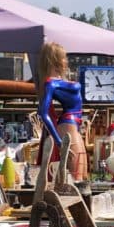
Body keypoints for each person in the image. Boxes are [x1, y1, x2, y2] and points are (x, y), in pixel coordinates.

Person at [37, 42, 88, 181]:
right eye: (63, 57)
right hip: (68, 126)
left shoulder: (55, 82)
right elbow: (42, 112)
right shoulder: (51, 83)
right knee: (76, 177)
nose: (66, 61)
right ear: (55, 59)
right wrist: (59, 142)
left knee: (82, 176)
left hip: (72, 125)